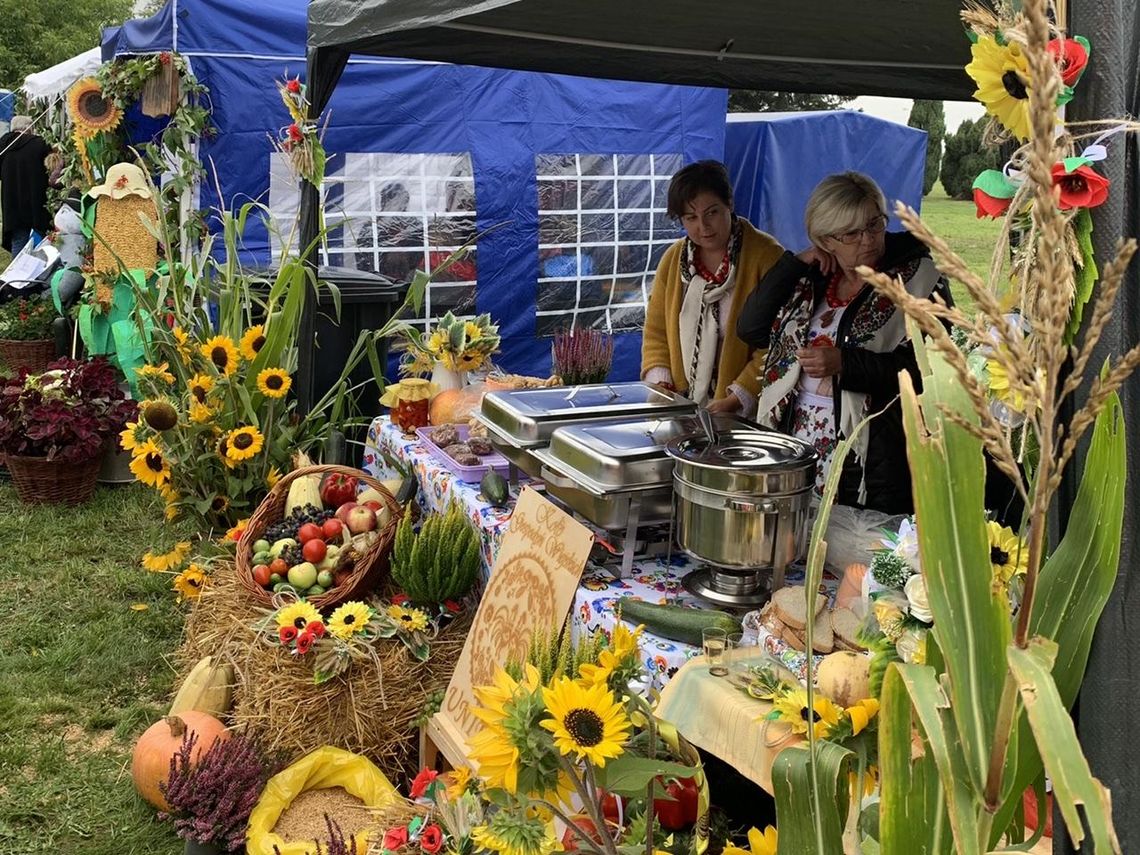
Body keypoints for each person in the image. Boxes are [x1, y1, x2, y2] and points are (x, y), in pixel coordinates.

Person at [737, 171, 951, 514]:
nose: (867, 240)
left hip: (868, 453)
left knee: (850, 558)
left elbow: (934, 371)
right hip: (799, 438)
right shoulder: (812, 279)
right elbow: (752, 329)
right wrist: (793, 265)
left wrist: (846, 364)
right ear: (825, 239)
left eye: (875, 225)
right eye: (851, 233)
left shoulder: (919, 279)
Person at [641, 160, 784, 412]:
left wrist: (738, 397)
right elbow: (656, 332)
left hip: (745, 408)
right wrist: (662, 385)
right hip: (681, 405)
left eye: (712, 212)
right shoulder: (673, 260)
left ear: (730, 203)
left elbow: (778, 341)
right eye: (690, 217)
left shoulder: (767, 256)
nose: (703, 226)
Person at [0, 116, 53, 253]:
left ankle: (18, 272)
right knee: (44, 240)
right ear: (29, 128)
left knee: (18, 240)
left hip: (12, 200)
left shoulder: (3, 145)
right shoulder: (40, 144)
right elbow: (51, 169)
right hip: (36, 198)